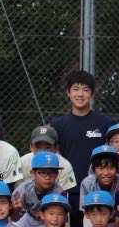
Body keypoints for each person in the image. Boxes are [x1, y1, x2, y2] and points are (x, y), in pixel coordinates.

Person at [46, 71, 113, 214]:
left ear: (93, 93)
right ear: (68, 93)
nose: (80, 94)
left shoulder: (105, 123)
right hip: (67, 190)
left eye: (85, 90)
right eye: (76, 89)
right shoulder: (57, 125)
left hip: (97, 191)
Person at [10, 151, 66, 227]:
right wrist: (15, 211)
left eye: (52, 173)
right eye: (43, 172)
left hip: (47, 222)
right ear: (33, 173)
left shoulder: (59, 192)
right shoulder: (23, 189)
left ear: (57, 174)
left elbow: (61, 221)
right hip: (27, 218)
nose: (48, 177)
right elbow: (14, 219)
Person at [18, 125, 76, 192]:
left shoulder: (64, 165)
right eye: (38, 147)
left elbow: (62, 195)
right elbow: (20, 192)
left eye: (47, 147)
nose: (42, 151)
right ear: (31, 146)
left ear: (56, 148)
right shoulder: (23, 162)